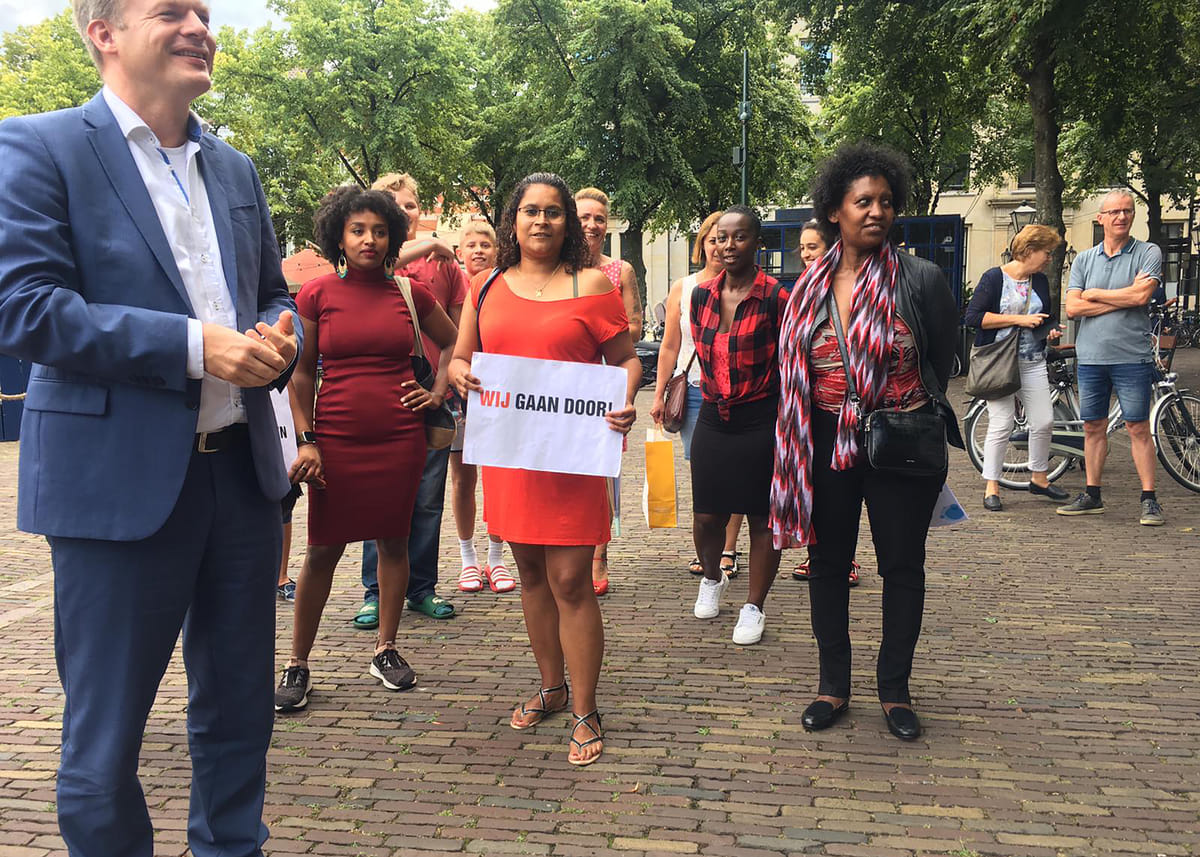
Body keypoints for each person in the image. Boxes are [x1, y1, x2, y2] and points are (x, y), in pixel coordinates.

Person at [0, 0, 300, 852]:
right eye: (172, 10)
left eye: (204, 12)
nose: (200, 25)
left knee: (240, 711)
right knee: (105, 739)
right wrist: (194, 346)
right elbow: (24, 307)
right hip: (114, 485)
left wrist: (280, 334)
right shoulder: (37, 146)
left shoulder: (234, 168)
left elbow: (272, 291)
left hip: (242, 479)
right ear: (104, 33)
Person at [770, 142, 961, 741]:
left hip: (900, 436)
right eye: (863, 202)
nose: (876, 211)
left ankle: (895, 690)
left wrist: (888, 397)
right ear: (835, 210)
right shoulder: (807, 287)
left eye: (885, 201)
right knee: (828, 564)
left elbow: (940, 359)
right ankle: (832, 685)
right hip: (823, 441)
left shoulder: (921, 279)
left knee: (902, 565)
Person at [449, 172, 640, 766]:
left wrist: (624, 398)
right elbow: (461, 356)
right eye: (530, 210)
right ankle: (551, 688)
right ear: (514, 220)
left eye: (553, 212)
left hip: (572, 457)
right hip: (513, 455)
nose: (541, 220)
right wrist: (458, 373)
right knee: (531, 575)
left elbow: (626, 360)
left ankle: (585, 708)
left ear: (567, 223)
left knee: (571, 582)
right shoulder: (485, 285)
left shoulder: (593, 285)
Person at [275, 186, 458, 712]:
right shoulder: (316, 294)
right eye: (357, 230)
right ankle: (298, 662)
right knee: (322, 550)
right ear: (339, 236)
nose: (369, 240)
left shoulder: (410, 294)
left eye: (379, 231)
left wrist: (438, 391)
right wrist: (306, 440)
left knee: (394, 543)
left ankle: (386, 648)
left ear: (393, 237)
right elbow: (301, 374)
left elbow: (454, 340)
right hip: (335, 440)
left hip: (400, 438)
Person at [353, 172, 470, 628]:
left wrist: (440, 390)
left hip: (428, 395)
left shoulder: (446, 269)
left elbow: (458, 338)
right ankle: (375, 592)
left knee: (426, 498)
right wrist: (432, 244)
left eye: (410, 205)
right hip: (378, 396)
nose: (403, 212)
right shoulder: (374, 258)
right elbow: (381, 265)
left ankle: (421, 588)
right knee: (377, 497)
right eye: (392, 204)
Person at [688, 205, 790, 646]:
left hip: (761, 418)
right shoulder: (700, 295)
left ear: (757, 243)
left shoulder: (776, 297)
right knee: (706, 515)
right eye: (720, 238)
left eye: (739, 237)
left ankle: (754, 606)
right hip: (714, 415)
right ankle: (713, 577)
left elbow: (790, 361)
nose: (728, 246)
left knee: (761, 517)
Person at [1059, 190, 1165, 525]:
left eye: (1128, 211)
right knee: (1093, 426)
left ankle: (1149, 499)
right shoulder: (1084, 259)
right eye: (1115, 211)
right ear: (1100, 218)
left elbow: (1142, 296)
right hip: (1091, 357)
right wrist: (1124, 297)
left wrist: (1095, 294)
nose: (1122, 216)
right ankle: (1092, 495)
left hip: (1132, 356)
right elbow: (1073, 307)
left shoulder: (1148, 252)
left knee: (1137, 427)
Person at [650, 212, 743, 577]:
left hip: (737, 393)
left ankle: (728, 549)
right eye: (713, 239)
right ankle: (707, 549)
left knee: (735, 471)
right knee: (703, 473)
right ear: (702, 244)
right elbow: (670, 346)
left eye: (727, 239)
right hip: (692, 390)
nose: (720, 246)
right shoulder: (684, 287)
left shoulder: (746, 285)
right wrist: (658, 394)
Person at [964, 224, 1068, 510]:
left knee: (1044, 421)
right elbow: (973, 317)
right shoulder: (994, 278)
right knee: (1002, 422)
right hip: (998, 362)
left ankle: (1039, 478)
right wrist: (1019, 320)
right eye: (1046, 253)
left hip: (1032, 360)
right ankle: (992, 485)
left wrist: (1049, 330)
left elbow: (1042, 317)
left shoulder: (1041, 281)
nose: (1049, 258)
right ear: (1029, 250)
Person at [575, 186, 643, 595]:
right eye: (584, 217)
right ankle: (573, 546)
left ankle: (599, 552)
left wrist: (596, 333)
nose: (592, 225)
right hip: (568, 377)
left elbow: (634, 327)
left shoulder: (620, 271)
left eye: (599, 218)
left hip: (605, 375)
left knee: (603, 469)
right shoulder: (558, 270)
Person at [788, 219, 862, 586]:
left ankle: (847, 560)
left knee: (850, 497)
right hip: (814, 415)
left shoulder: (856, 286)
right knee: (822, 496)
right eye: (802, 248)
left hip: (859, 414)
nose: (805, 254)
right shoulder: (803, 292)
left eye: (812, 247)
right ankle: (820, 556)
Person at [450, 220, 514, 594]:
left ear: (497, 250)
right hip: (460, 395)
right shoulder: (448, 282)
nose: (478, 250)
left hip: (498, 397)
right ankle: (467, 558)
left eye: (485, 245)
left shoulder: (503, 285)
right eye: (471, 245)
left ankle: (496, 556)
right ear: (460, 252)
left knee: (498, 478)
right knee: (463, 479)